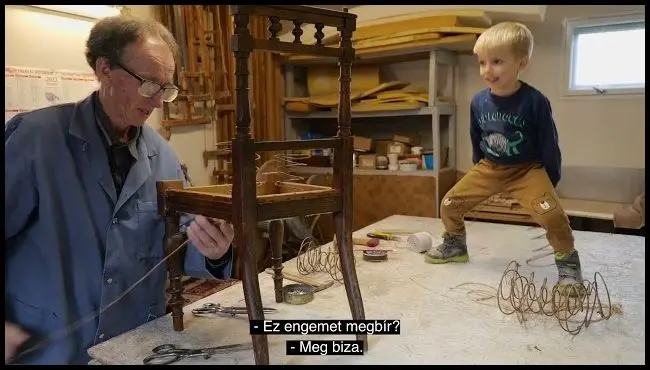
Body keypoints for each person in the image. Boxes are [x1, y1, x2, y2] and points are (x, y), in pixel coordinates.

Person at [5, 16, 236, 364]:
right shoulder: (35, 139)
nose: (159, 102)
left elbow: (180, 245)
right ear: (105, 69)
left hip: (135, 346)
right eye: (148, 84)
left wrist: (214, 250)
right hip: (48, 346)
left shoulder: (164, 157)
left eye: (166, 88)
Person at [424, 22, 584, 290]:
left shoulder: (535, 101)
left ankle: (568, 266)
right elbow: (476, 134)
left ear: (522, 62)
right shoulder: (478, 101)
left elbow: (549, 141)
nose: (487, 70)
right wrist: (479, 169)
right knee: (449, 203)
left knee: (553, 216)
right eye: (482, 62)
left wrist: (551, 178)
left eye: (497, 61)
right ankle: (455, 245)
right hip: (490, 166)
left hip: (527, 170)